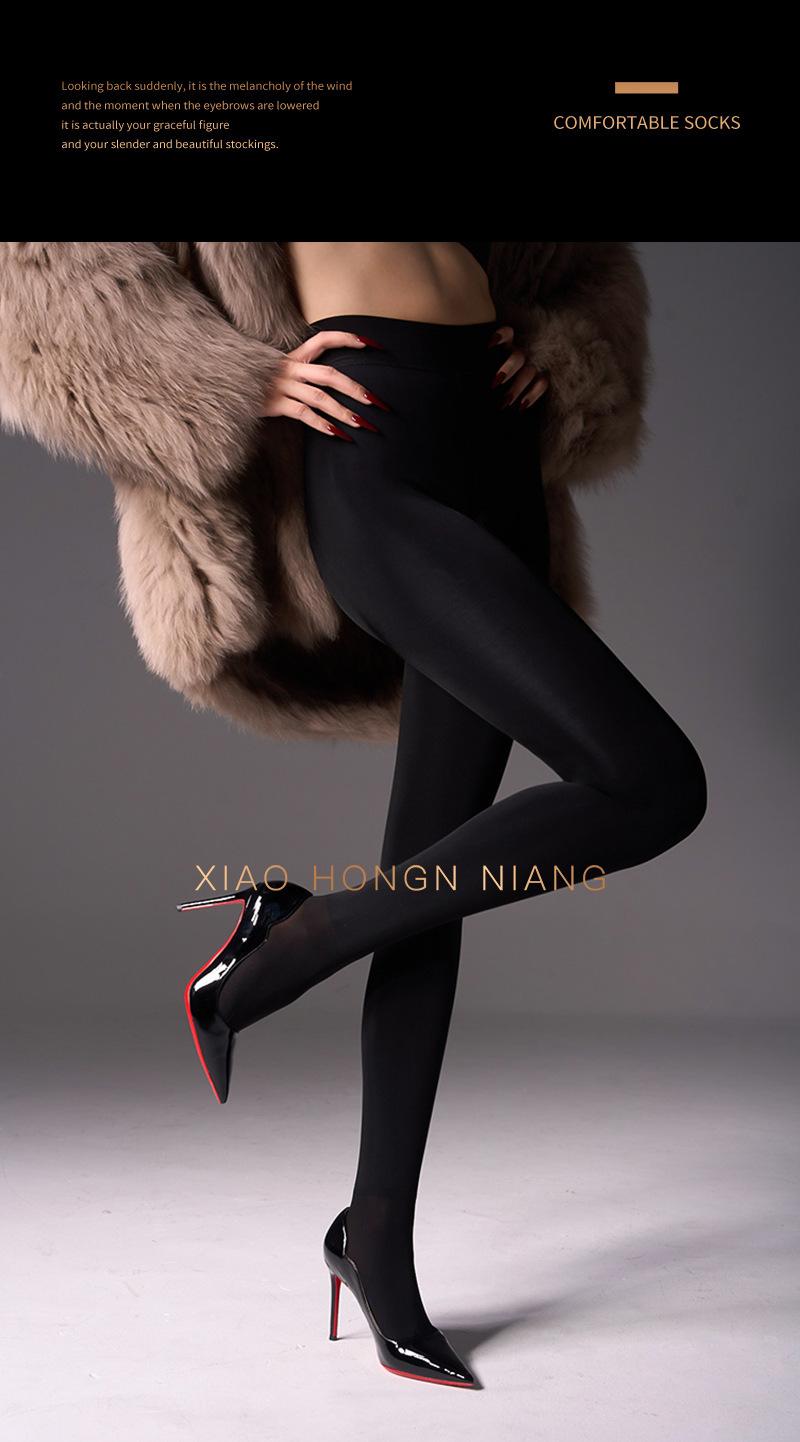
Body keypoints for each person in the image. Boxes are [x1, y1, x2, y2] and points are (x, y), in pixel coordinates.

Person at [0, 241, 706, 1389]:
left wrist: (567, 347)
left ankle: (372, 1236)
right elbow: (44, 285)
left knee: (430, 883)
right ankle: (298, 939)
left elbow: (584, 257)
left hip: (496, 434)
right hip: (374, 438)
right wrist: (228, 381)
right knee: (649, 781)